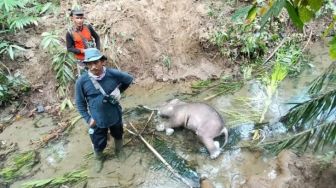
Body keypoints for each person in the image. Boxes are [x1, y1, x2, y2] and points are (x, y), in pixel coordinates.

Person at [75, 48, 133, 173]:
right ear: (86, 65)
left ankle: (119, 152)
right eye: (89, 64)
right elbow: (80, 103)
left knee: (118, 135)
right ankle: (99, 159)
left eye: (96, 62)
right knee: (98, 142)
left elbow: (128, 79)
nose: (93, 66)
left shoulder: (112, 74)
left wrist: (119, 91)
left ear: (103, 62)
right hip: (97, 120)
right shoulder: (82, 81)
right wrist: (88, 118)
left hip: (115, 115)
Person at [66, 8, 101, 75]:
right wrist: (82, 51)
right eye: (77, 18)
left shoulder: (88, 27)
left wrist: (97, 50)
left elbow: (97, 37)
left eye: (81, 18)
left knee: (97, 75)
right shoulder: (70, 33)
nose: (79, 20)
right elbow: (69, 48)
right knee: (85, 78)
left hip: (93, 57)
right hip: (81, 60)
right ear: (72, 19)